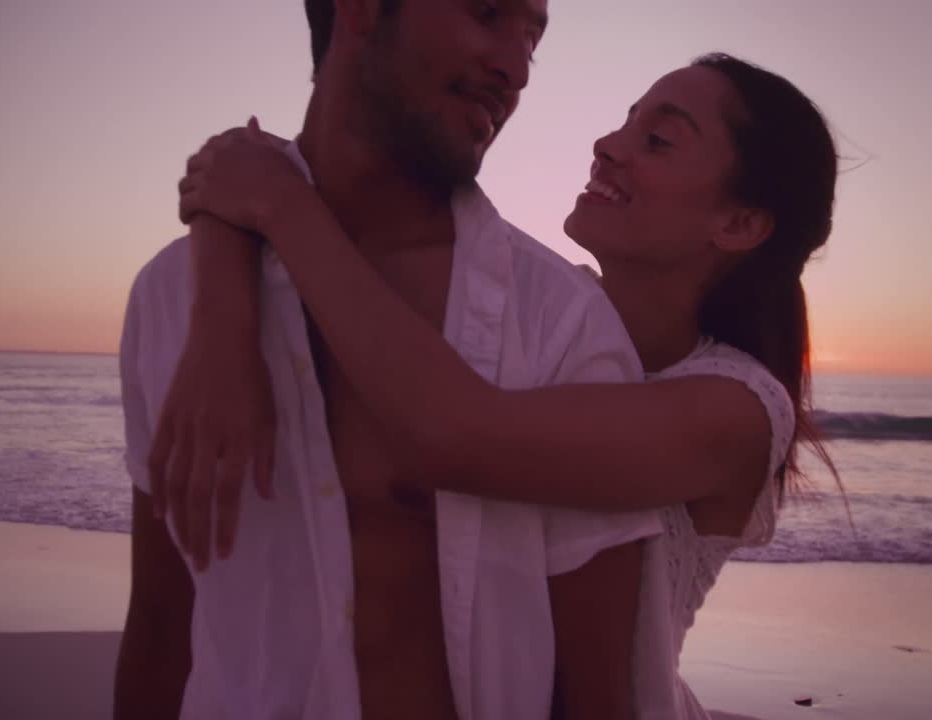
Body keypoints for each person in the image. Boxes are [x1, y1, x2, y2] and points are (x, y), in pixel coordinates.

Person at [160, 41, 840, 720]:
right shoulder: (545, 316)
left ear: (739, 223)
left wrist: (282, 204)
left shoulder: (738, 410)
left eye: (657, 140)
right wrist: (224, 301)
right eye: (625, 122)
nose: (607, 146)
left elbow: (450, 435)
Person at [114, 1, 665, 719]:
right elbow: (161, 628)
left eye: (532, 37)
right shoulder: (171, 297)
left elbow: (597, 694)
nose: (517, 68)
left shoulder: (560, 324)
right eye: (488, 12)